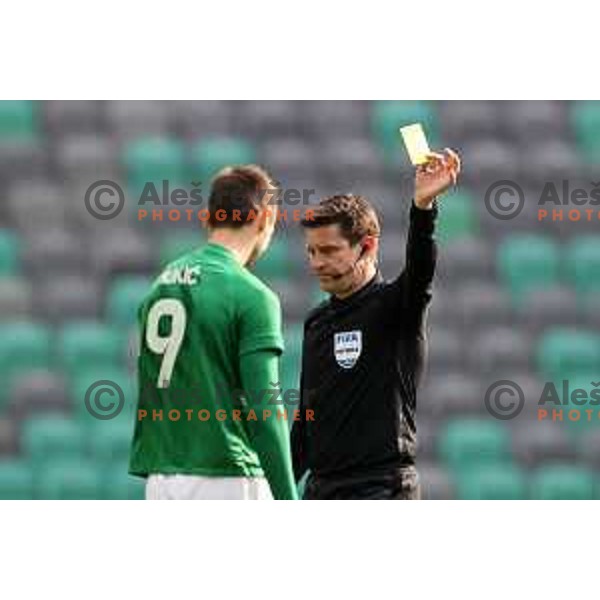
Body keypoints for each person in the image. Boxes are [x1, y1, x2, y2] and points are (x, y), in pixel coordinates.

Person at [291, 149, 461, 499]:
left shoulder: (397, 306)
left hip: (381, 488)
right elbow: (307, 421)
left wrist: (423, 208)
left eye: (329, 250)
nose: (317, 262)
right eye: (311, 252)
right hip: (321, 492)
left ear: (366, 246)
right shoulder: (316, 322)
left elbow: (420, 267)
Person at [129, 164, 298, 500]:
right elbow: (265, 409)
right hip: (225, 476)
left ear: (207, 218)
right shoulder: (253, 295)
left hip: (161, 480)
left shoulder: (159, 286)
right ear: (265, 218)